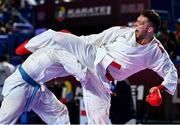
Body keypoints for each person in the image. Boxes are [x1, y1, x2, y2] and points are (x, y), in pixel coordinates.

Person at [16, 9, 178, 124]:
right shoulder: (123, 31)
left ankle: (69, 39)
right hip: (94, 57)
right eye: (137, 20)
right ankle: (31, 44)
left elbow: (171, 73)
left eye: (141, 23)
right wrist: (77, 42)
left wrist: (159, 88)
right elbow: (97, 39)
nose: (136, 24)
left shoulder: (156, 52)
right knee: (55, 37)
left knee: (99, 120)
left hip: (103, 81)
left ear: (150, 29)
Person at [0, 47, 87, 124]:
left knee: (59, 112)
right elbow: (82, 74)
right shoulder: (62, 52)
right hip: (20, 85)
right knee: (4, 121)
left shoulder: (49, 47)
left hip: (38, 88)